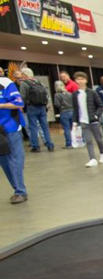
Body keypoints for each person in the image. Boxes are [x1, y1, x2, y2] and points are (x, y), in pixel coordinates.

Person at [0, 68, 28, 203]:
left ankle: (20, 191)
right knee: (4, 162)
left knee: (14, 160)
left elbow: (18, 103)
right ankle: (17, 189)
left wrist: (1, 105)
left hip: (10, 127)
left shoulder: (5, 83)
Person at [71, 71, 103, 167]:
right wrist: (74, 121)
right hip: (83, 121)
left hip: (93, 121)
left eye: (82, 79)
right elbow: (75, 109)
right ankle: (92, 159)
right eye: (78, 79)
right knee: (88, 140)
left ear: (86, 80)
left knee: (98, 139)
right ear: (76, 81)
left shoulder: (92, 93)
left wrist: (96, 115)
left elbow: (100, 106)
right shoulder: (75, 94)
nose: (80, 81)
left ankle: (102, 153)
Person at [18, 67, 54, 152]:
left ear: (24, 74)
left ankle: (35, 146)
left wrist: (20, 107)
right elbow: (46, 95)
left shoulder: (24, 84)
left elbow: (22, 97)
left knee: (33, 127)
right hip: (42, 107)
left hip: (32, 107)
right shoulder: (39, 82)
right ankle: (50, 145)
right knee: (45, 127)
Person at [53, 80, 74, 149]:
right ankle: (75, 142)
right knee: (72, 128)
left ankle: (69, 144)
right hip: (72, 111)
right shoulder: (69, 93)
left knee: (66, 129)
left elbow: (57, 104)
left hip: (64, 112)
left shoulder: (57, 95)